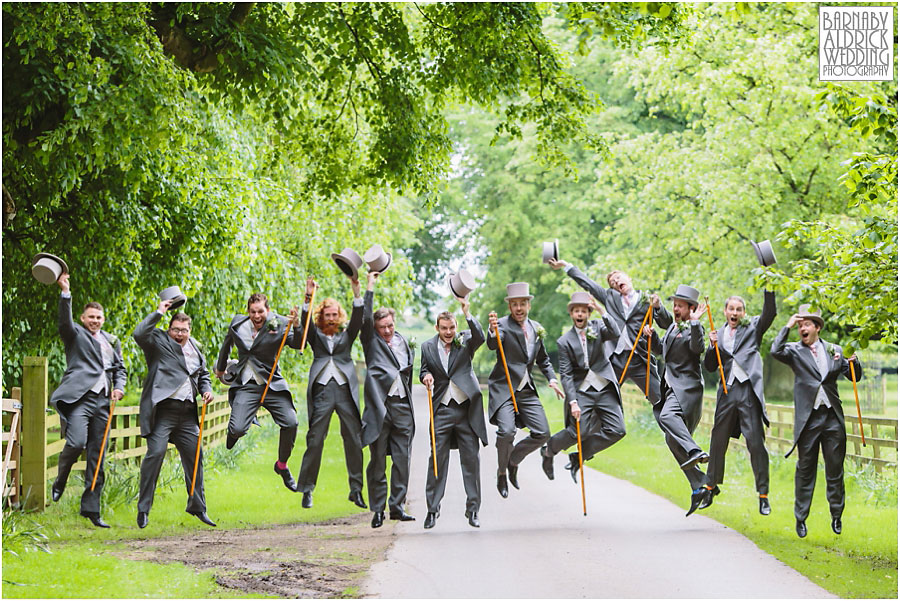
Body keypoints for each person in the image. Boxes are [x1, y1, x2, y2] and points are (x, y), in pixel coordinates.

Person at [770, 305, 861, 538]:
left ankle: (837, 515)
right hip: (808, 419)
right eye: (800, 325)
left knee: (835, 470)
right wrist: (787, 325)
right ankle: (800, 518)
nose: (802, 328)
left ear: (817, 327)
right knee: (805, 470)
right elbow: (775, 350)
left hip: (832, 418)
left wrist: (854, 360)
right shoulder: (793, 350)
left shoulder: (834, 350)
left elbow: (854, 376)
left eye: (806, 324)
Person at [48, 272, 126, 528]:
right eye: (90, 317)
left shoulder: (111, 341)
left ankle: (91, 510)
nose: (95, 321)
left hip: (104, 402)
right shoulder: (75, 335)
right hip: (81, 399)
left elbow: (120, 369)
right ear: (83, 319)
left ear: (103, 320)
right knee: (76, 442)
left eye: (98, 317)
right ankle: (60, 479)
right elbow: (63, 323)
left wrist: (119, 388)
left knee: (98, 455)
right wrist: (65, 293)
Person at [133, 301, 216, 528]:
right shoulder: (159, 342)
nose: (179, 334)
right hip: (164, 411)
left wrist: (206, 390)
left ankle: (198, 507)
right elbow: (139, 333)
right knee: (155, 454)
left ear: (190, 331)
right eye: (176, 330)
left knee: (196, 456)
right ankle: (143, 510)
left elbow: (203, 374)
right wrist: (160, 311)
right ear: (169, 330)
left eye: (184, 330)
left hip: (187, 414)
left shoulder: (196, 348)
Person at [547, 259, 672, 405]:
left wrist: (658, 307)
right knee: (603, 400)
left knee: (660, 400)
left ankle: (674, 425)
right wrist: (565, 266)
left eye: (618, 278)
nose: (616, 282)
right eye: (612, 283)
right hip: (615, 360)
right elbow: (588, 283)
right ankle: (592, 426)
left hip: (640, 359)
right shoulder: (609, 297)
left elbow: (666, 324)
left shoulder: (647, 300)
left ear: (628, 278)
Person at [215, 294, 302, 491]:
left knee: (291, 422)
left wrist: (297, 325)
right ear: (248, 311)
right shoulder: (237, 324)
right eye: (253, 312)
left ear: (268, 310)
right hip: (246, 384)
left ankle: (282, 465)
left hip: (271, 384)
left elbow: (298, 343)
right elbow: (226, 345)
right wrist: (221, 369)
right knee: (237, 429)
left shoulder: (279, 323)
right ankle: (235, 431)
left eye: (261, 311)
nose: (257, 316)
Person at [486, 282, 564, 498]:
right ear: (509, 307)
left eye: (522, 304)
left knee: (543, 433)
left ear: (528, 305)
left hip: (526, 390)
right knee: (507, 432)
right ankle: (502, 472)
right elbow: (494, 343)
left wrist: (552, 380)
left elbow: (543, 360)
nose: (519, 308)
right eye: (514, 304)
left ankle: (513, 461)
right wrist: (492, 331)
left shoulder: (536, 328)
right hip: (504, 390)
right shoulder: (501, 325)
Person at [701, 289, 776, 514]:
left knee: (755, 442)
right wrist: (712, 346)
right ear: (725, 311)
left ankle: (763, 494)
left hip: (748, 392)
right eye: (731, 309)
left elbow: (770, 313)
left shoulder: (752, 328)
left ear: (744, 313)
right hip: (727, 391)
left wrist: (768, 285)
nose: (735, 312)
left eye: (739, 309)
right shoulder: (719, 332)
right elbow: (710, 366)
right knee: (718, 439)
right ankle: (710, 486)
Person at [297, 275, 366, 510]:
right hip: (323, 391)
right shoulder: (314, 334)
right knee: (315, 439)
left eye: (335, 314)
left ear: (340, 316)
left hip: (345, 391)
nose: (331, 318)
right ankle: (307, 489)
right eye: (327, 315)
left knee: (354, 440)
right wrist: (308, 296)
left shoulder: (347, 334)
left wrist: (357, 292)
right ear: (321, 316)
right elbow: (305, 321)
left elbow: (359, 317)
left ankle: (356, 490)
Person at [540, 291, 624, 484]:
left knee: (618, 430)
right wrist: (573, 402)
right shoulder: (564, 341)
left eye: (583, 311)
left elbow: (616, 332)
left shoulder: (598, 328)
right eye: (576, 311)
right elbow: (567, 375)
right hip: (582, 391)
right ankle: (548, 449)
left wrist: (602, 311)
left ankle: (579, 456)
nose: (579, 315)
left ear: (588, 313)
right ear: (571, 314)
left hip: (604, 387)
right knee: (578, 431)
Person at [419, 295, 488, 529]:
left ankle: (473, 509)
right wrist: (425, 377)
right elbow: (424, 369)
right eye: (444, 328)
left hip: (466, 410)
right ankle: (432, 509)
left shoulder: (466, 341)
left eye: (451, 328)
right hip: (441, 410)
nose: (448, 332)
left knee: (471, 461)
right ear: (437, 328)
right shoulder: (427, 346)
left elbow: (481, 336)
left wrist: (467, 312)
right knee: (437, 460)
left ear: (456, 327)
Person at [361, 271, 416, 528]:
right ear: (375, 328)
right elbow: (364, 316)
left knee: (402, 459)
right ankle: (378, 509)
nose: (387, 331)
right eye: (382, 327)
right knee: (378, 460)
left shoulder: (404, 341)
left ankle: (397, 506)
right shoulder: (371, 341)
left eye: (390, 326)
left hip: (403, 405)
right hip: (380, 408)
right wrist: (369, 286)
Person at [653, 285, 711, 516]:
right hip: (671, 389)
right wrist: (652, 338)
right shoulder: (673, 328)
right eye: (674, 304)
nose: (675, 308)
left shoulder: (693, 329)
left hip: (687, 390)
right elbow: (665, 352)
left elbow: (698, 348)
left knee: (667, 416)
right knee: (671, 440)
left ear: (691, 309)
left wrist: (697, 323)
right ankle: (701, 485)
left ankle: (695, 451)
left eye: (680, 305)